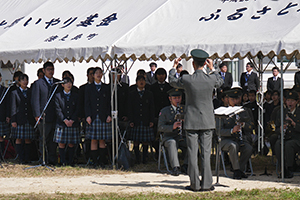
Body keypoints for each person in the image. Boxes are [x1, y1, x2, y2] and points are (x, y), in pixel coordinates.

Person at [169, 49, 223, 192]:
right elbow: (220, 81)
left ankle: (194, 184)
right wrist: (213, 68)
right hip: (207, 121)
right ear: (205, 63)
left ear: (193, 64)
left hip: (192, 121)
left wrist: (174, 67)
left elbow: (173, 81)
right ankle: (206, 184)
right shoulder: (211, 78)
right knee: (206, 153)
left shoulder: (187, 79)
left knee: (192, 154)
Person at [216, 89, 254, 179]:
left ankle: (240, 169)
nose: (235, 102)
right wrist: (231, 131)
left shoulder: (244, 110)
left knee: (248, 148)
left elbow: (251, 126)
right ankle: (236, 170)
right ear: (227, 99)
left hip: (239, 138)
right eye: (233, 99)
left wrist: (243, 125)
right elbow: (218, 131)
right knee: (233, 146)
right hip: (225, 140)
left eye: (237, 99)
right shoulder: (221, 112)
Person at [31, 61, 60, 165]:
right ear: (44, 71)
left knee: (53, 140)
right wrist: (37, 114)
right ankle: (43, 159)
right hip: (43, 116)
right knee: (44, 139)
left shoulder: (57, 83)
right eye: (48, 69)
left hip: (55, 116)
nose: (51, 71)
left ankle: (52, 159)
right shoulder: (38, 83)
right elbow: (35, 100)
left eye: (52, 69)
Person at [85, 67, 112, 168]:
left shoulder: (106, 87)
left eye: (100, 73)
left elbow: (109, 102)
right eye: (96, 73)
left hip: (103, 116)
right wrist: (87, 116)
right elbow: (86, 103)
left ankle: (102, 161)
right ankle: (94, 161)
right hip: (92, 116)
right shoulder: (89, 87)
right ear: (93, 75)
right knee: (93, 140)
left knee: (102, 140)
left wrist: (109, 114)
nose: (99, 75)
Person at [157, 88, 188, 176]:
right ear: (170, 99)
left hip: (183, 136)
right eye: (175, 98)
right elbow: (160, 127)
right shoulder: (165, 111)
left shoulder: (185, 109)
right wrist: (172, 127)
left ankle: (186, 165)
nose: (177, 100)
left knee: (192, 142)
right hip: (169, 137)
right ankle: (176, 167)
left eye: (179, 98)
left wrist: (186, 121)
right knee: (172, 142)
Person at [128, 75, 155, 164]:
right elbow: (130, 108)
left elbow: (152, 108)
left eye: (143, 80)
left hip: (146, 119)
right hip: (135, 120)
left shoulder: (149, 94)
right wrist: (131, 120)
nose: (141, 82)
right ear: (136, 82)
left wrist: (151, 120)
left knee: (145, 141)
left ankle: (145, 158)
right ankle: (137, 157)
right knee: (135, 141)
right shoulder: (132, 94)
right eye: (139, 80)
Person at [54, 77, 80, 166]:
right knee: (61, 143)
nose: (69, 85)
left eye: (70, 83)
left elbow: (77, 109)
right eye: (66, 83)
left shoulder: (75, 95)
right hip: (62, 123)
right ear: (62, 85)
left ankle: (70, 161)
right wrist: (64, 120)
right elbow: (58, 110)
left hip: (73, 122)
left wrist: (72, 120)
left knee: (71, 143)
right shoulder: (58, 95)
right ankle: (62, 161)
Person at [10, 74, 35, 164]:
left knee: (28, 139)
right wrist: (13, 120)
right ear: (19, 82)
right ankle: (20, 158)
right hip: (19, 119)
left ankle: (27, 158)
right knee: (19, 139)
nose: (25, 82)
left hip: (28, 118)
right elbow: (13, 107)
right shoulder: (15, 93)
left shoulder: (30, 91)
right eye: (23, 80)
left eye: (26, 80)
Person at [274, 91, 300, 178]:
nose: (290, 103)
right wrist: (280, 129)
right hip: (285, 137)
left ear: (297, 102)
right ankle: (283, 167)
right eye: (288, 100)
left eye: (292, 101)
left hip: (296, 139)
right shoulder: (281, 112)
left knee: (289, 145)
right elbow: (275, 128)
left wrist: (294, 124)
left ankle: (289, 168)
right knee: (278, 144)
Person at [0, 73, 11, 160]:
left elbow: (8, 105)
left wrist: (8, 116)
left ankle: (1, 156)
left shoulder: (5, 90)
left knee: (1, 137)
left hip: (2, 116)